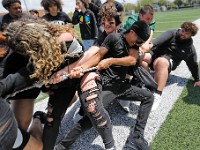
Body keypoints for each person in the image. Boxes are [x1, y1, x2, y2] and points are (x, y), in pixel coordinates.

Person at [2, 17, 100, 150]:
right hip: (55, 80)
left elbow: (91, 54)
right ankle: (40, 120)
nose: (26, 56)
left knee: (88, 104)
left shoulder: (65, 39)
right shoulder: (36, 63)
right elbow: (13, 83)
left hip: (71, 77)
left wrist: (74, 68)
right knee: (52, 121)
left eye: (25, 53)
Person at [54, 20, 153, 150]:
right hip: (107, 86)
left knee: (149, 97)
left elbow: (132, 60)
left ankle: (138, 135)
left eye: (141, 42)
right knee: (93, 116)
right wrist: (81, 67)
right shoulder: (113, 38)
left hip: (121, 86)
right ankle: (63, 145)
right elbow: (97, 55)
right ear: (132, 32)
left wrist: (111, 60)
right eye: (138, 40)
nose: (138, 44)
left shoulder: (133, 44)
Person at [0, 0, 40, 132]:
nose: (19, 10)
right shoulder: (3, 23)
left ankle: (38, 119)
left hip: (27, 72)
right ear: (7, 8)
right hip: (10, 71)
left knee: (22, 124)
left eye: (20, 7)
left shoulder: (28, 19)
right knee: (15, 125)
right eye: (15, 8)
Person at [142, 21, 200, 111]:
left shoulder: (189, 48)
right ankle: (147, 84)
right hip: (155, 55)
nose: (183, 33)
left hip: (167, 61)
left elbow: (193, 64)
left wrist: (197, 79)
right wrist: (146, 48)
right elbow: (156, 42)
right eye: (183, 30)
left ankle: (157, 95)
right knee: (142, 58)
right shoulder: (171, 33)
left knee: (162, 62)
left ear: (191, 35)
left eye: (186, 33)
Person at [119, 4, 156, 113]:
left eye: (151, 19)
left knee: (145, 61)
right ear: (140, 16)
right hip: (126, 46)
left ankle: (141, 84)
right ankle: (125, 88)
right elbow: (132, 39)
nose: (149, 21)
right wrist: (144, 46)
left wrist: (147, 44)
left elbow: (150, 33)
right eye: (147, 18)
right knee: (132, 62)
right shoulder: (132, 21)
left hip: (137, 46)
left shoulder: (150, 21)